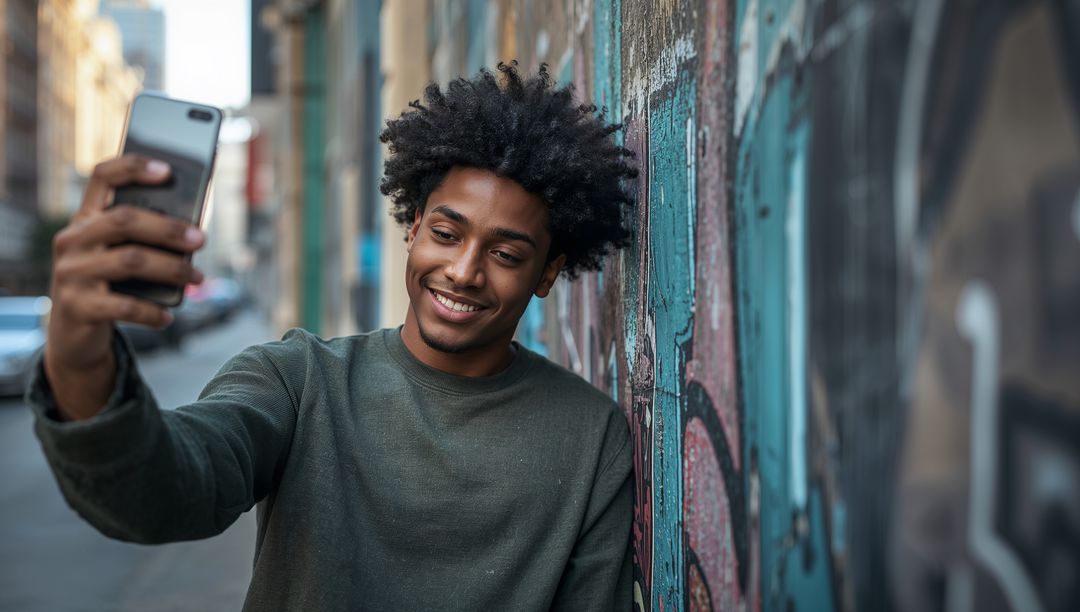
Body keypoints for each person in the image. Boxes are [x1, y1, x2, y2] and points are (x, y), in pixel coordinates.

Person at [28, 62, 639, 610]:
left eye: (505, 253)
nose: (463, 270)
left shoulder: (591, 437)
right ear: (414, 228)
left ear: (548, 272)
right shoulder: (296, 380)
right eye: (447, 235)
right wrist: (78, 352)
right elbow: (162, 491)